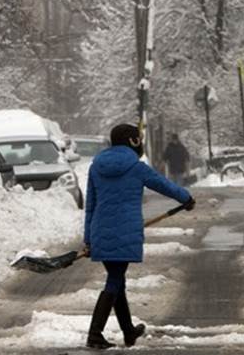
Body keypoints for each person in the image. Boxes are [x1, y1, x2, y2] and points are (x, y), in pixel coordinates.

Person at [83, 123, 194, 349]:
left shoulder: (96, 167)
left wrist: (88, 238)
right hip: (125, 231)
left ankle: (128, 331)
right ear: (133, 141)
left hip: (100, 230)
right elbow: (164, 185)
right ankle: (94, 334)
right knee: (114, 280)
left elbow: (90, 206)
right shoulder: (136, 167)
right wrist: (186, 198)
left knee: (117, 280)